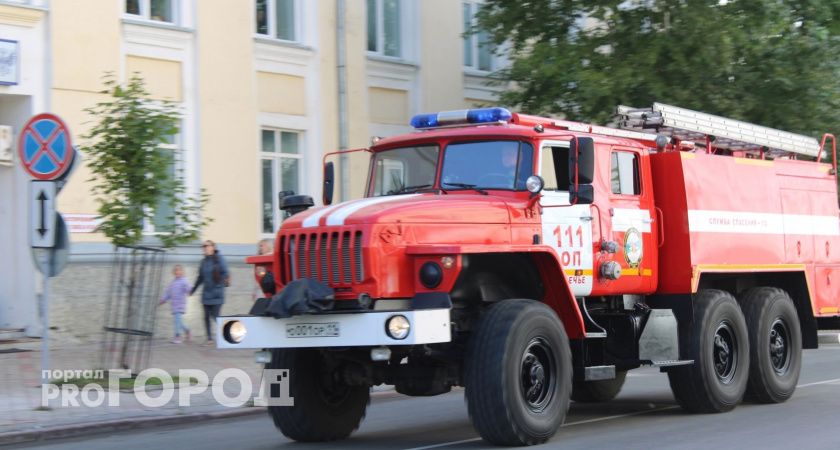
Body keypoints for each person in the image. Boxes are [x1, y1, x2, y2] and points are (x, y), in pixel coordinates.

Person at [191, 240, 229, 345]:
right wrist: (193, 290)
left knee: (215, 316)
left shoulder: (220, 259)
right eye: (203, 246)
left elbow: (226, 273)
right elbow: (200, 277)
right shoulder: (203, 262)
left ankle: (228, 334)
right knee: (206, 317)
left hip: (217, 293)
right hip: (206, 294)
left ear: (213, 247)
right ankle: (209, 338)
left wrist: (221, 283)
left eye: (206, 246)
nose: (204, 248)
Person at [159, 265, 192, 344]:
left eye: (179, 270)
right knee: (179, 322)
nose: (178, 272)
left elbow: (189, 288)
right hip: (174, 305)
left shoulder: (184, 281)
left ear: (182, 272)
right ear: (173, 272)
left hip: (181, 304)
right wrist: (163, 299)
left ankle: (177, 336)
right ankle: (187, 330)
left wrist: (190, 291)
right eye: (176, 270)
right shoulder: (172, 283)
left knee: (177, 321)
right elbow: (168, 293)